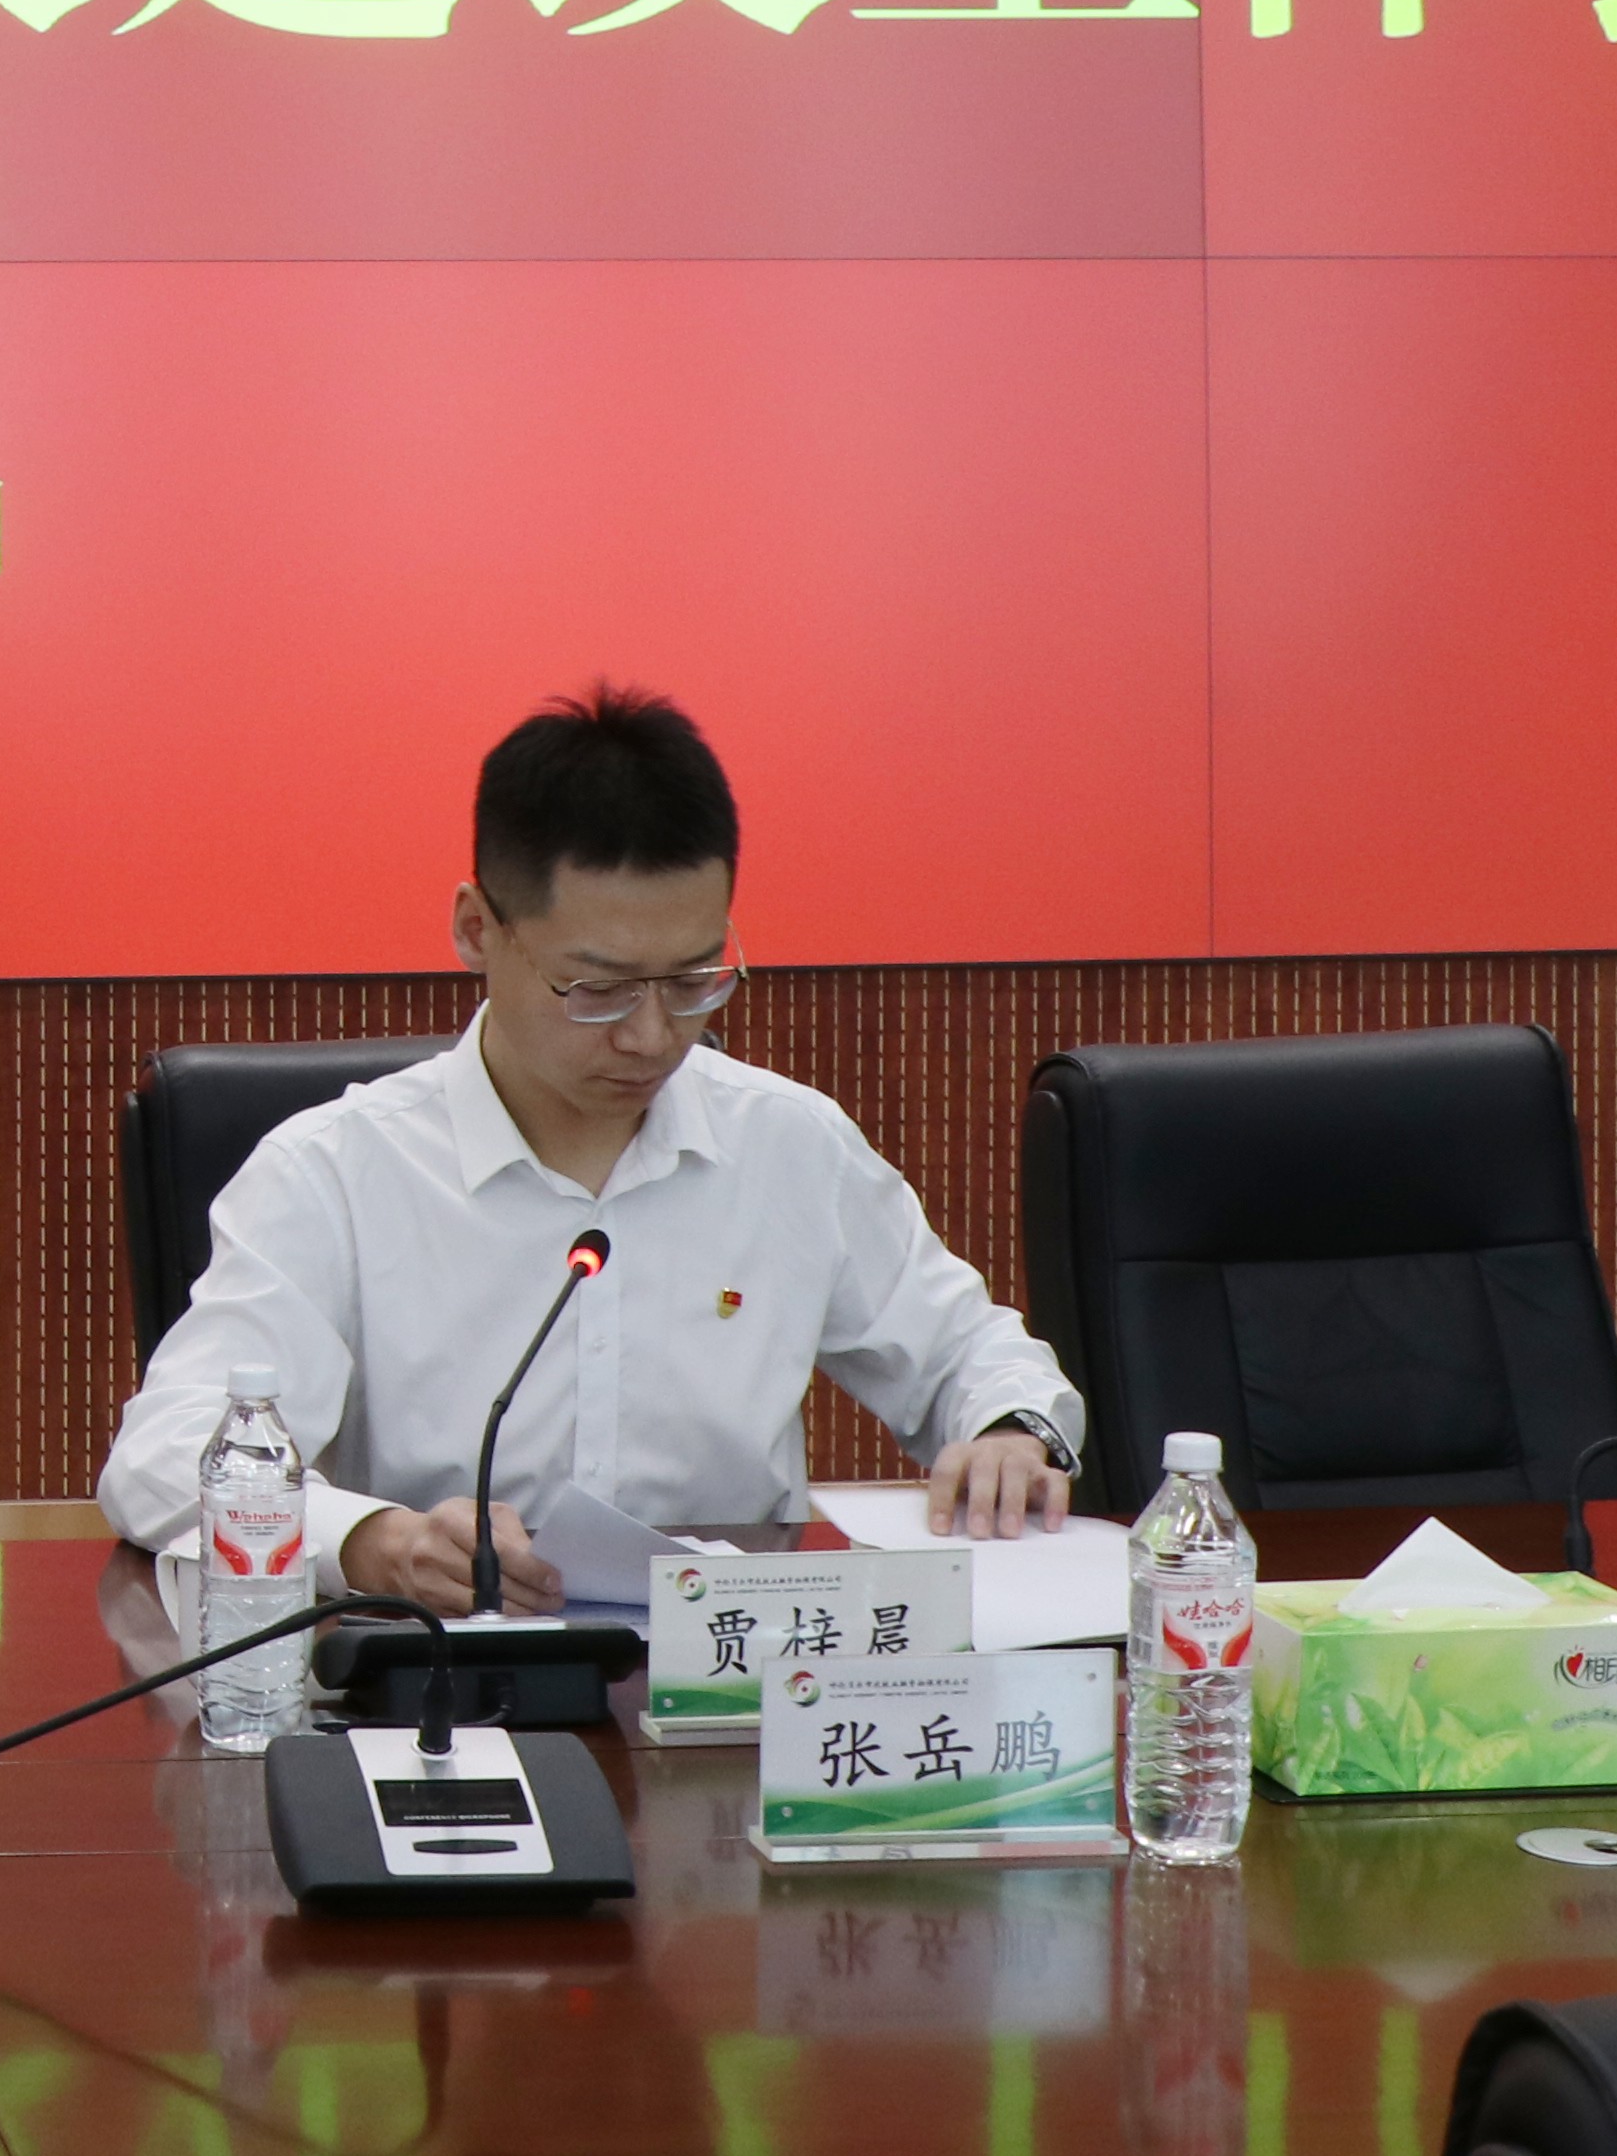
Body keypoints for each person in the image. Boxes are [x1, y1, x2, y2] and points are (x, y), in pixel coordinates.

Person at [99, 686, 1080, 1615]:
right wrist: (372, 1541)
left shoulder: (789, 1146)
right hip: (446, 1676)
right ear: (477, 930)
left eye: (693, 980)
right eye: (598, 989)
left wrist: (1007, 1430)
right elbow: (164, 1461)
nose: (652, 1035)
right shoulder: (334, 1175)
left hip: (735, 1677)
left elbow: (973, 1352)